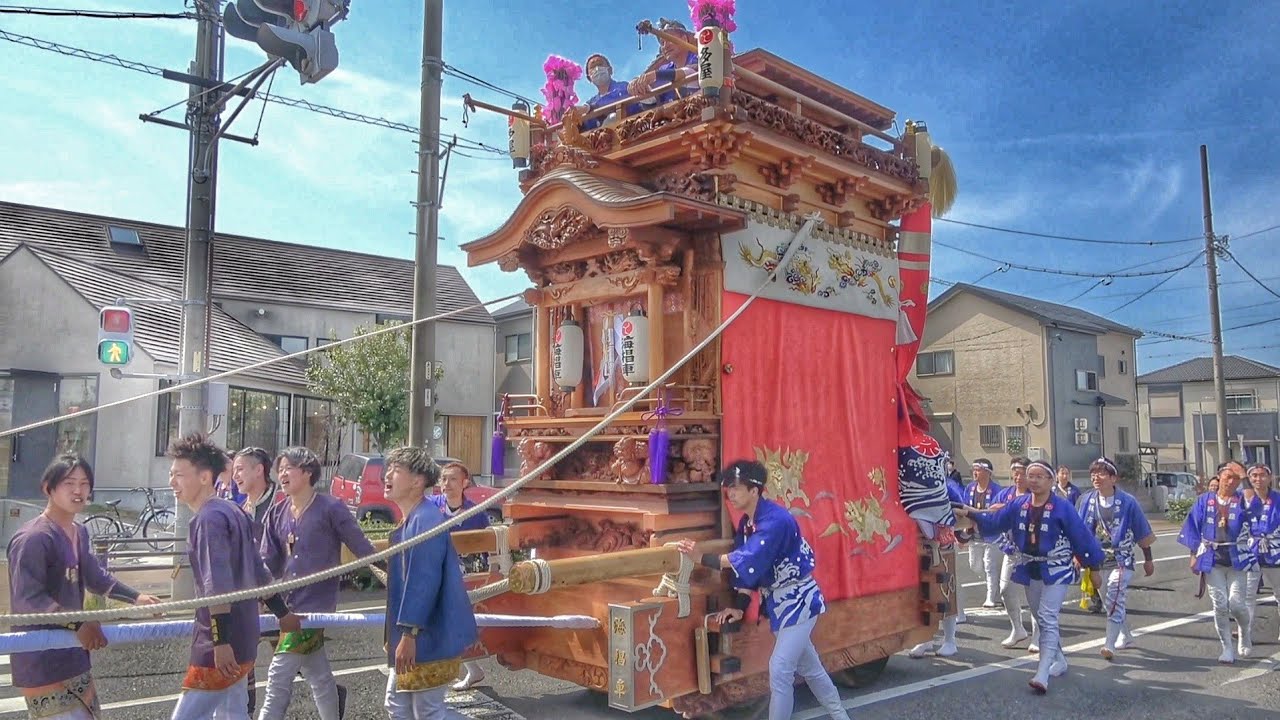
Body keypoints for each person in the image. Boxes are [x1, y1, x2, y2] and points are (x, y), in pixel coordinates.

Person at [676, 460, 850, 720]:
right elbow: (749, 574)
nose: (731, 494)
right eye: (728, 490)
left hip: (799, 598)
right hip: (780, 603)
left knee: (779, 669)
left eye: (735, 489)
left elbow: (745, 559)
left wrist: (702, 557)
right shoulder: (747, 525)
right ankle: (841, 716)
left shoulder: (776, 520)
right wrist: (739, 606)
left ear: (755, 490)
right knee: (810, 668)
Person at [6, 454, 160, 719]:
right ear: (48, 488)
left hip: (74, 654)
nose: (78, 490)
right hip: (42, 658)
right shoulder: (33, 538)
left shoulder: (80, 532)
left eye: (85, 483)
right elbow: (28, 601)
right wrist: (79, 624)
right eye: (69, 483)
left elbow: (95, 577)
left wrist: (137, 598)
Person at [167, 433, 301, 719]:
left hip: (220, 645)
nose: (172, 482)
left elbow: (218, 585)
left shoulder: (207, 519)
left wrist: (220, 641)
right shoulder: (234, 510)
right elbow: (259, 570)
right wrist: (282, 612)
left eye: (179, 475)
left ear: (205, 478)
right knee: (233, 713)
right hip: (245, 637)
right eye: (171, 474)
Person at [956, 459, 1104, 695]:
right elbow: (995, 521)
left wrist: (1093, 567)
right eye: (1030, 476)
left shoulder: (1063, 507)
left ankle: (1042, 672)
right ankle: (1060, 659)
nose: (1033, 480)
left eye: (1039, 476)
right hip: (1029, 566)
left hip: (1056, 569)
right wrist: (970, 513)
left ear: (1050, 481)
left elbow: (1082, 537)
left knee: (1046, 616)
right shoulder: (1019, 504)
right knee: (1039, 615)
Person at [257, 447, 375, 720]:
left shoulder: (331, 508)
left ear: (308, 472)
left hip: (314, 607)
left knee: (278, 676)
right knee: (318, 674)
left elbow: (362, 548)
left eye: (289, 468)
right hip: (286, 606)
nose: (282, 474)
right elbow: (267, 562)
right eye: (281, 469)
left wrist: (389, 571)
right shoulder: (277, 512)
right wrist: (258, 594)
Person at [382, 447, 479, 719]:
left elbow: (423, 582)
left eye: (396, 470)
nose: (387, 475)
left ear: (418, 481)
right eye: (388, 469)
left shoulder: (425, 521)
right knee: (399, 705)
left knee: (427, 711)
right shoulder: (417, 517)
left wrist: (409, 634)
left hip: (427, 633)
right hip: (422, 632)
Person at [1075, 457, 1155, 661]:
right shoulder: (1086, 500)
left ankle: (1109, 644)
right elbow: (1079, 530)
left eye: (1101, 473)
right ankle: (1126, 636)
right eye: (1093, 473)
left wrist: (1148, 559)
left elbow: (1142, 531)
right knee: (1110, 600)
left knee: (1114, 595)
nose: (1096, 477)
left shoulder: (1128, 501)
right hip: (1096, 559)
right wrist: (1078, 555)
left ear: (1113, 478)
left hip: (1122, 557)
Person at [1177, 460, 1256, 662]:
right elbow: (1193, 527)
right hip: (1212, 559)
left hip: (1237, 558)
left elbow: (1254, 507)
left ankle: (1245, 633)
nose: (1231, 482)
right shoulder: (1205, 500)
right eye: (1228, 477)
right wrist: (1193, 555)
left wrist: (1245, 477)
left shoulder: (1242, 499)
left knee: (1237, 604)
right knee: (1220, 604)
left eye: (1236, 479)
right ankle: (1226, 648)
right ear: (1219, 477)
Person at [230, 446, 282, 717]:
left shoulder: (280, 503)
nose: (235, 475)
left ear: (259, 469)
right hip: (250, 600)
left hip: (281, 596)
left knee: (300, 661)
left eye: (240, 469)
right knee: (244, 658)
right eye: (234, 470)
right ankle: (247, 712)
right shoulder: (240, 509)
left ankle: (332, 694)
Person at [434, 462, 492, 692]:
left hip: (466, 578)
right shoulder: (429, 507)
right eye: (443, 479)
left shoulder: (476, 513)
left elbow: (488, 546)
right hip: (434, 576)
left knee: (456, 626)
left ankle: (470, 668)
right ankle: (470, 670)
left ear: (465, 482)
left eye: (453, 479)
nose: (446, 484)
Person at [993, 458, 1037, 650]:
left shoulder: (1037, 496)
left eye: (1022, 473)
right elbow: (992, 518)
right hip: (1010, 551)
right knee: (1004, 589)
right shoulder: (1004, 495)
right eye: (1015, 472)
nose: (1018, 477)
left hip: (1033, 554)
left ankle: (1038, 636)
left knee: (1034, 596)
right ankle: (1017, 628)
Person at [1244, 463, 1280, 641]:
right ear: (1250, 479)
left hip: (1276, 551)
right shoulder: (1245, 500)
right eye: (1254, 476)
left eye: (1262, 475)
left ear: (1270, 477)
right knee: (1248, 594)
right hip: (1252, 551)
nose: (1259, 479)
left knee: (1279, 592)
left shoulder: (1278, 499)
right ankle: (1246, 632)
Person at [629, 18, 699, 108]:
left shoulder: (699, 57)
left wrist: (654, 75)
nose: (665, 46)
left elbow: (690, 72)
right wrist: (637, 86)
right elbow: (654, 99)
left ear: (684, 39)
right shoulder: (665, 69)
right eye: (662, 43)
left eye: (669, 39)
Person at [963, 459, 1003, 608]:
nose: (975, 472)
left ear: (988, 472)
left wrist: (980, 516)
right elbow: (965, 507)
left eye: (978, 469)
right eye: (974, 469)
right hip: (973, 535)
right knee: (975, 566)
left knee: (989, 566)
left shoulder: (997, 490)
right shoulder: (970, 488)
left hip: (991, 535)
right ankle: (996, 589)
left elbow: (997, 511)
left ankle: (991, 598)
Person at [577, 54, 642, 130]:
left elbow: (619, 99)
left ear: (610, 70)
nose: (597, 69)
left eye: (600, 64)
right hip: (602, 140)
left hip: (631, 131)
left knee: (613, 117)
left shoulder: (624, 86)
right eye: (593, 67)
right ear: (589, 78)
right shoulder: (590, 102)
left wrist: (590, 107)